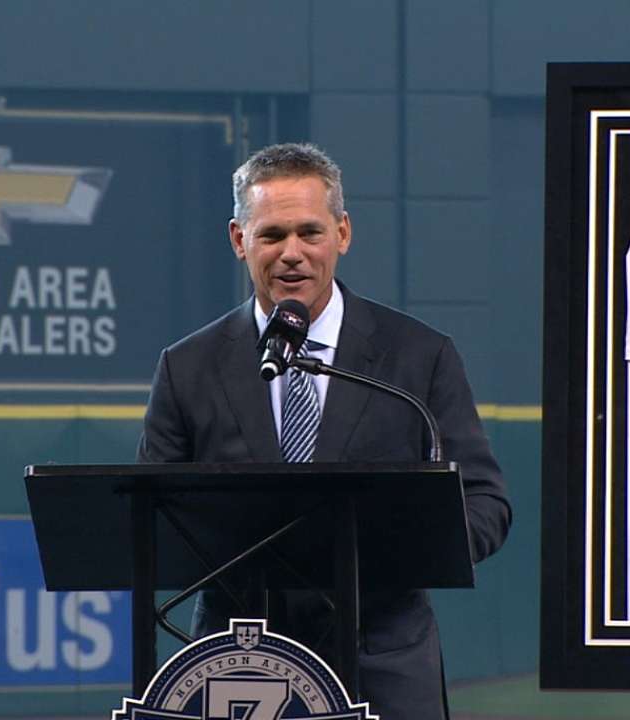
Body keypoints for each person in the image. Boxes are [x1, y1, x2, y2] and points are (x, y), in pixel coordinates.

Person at [137, 143, 512, 719]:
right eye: (272, 235)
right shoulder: (187, 366)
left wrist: (401, 552)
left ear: (343, 233)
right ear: (239, 240)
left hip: (382, 662)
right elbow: (151, 517)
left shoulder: (419, 357)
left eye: (310, 232)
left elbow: (484, 503)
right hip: (240, 665)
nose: (293, 254)